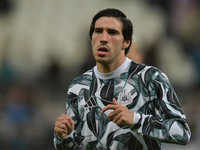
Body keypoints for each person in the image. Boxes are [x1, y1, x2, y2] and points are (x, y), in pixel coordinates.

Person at [53, 8, 191, 150]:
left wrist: (135, 119)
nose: (104, 38)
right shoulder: (78, 86)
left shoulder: (151, 78)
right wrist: (63, 137)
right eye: (98, 31)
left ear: (126, 43)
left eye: (112, 32)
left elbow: (182, 132)